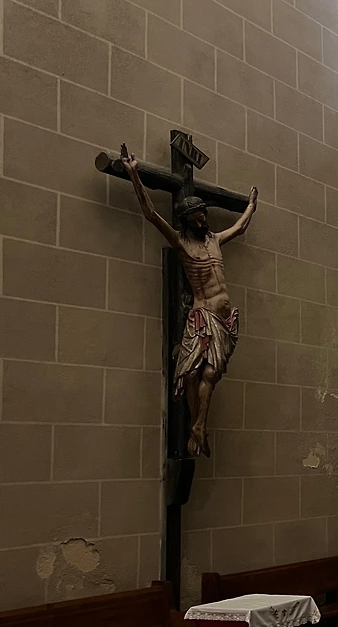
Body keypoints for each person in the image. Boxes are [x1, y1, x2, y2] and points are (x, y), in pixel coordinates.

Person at [119, 144, 257, 457]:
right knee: (193, 373)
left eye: (204, 216)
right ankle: (197, 426)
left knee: (212, 374)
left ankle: (198, 425)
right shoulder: (182, 244)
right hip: (202, 315)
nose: (204, 222)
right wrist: (134, 174)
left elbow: (240, 227)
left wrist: (250, 205)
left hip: (224, 319)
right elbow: (150, 214)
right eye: (197, 219)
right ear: (187, 221)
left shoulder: (214, 240)